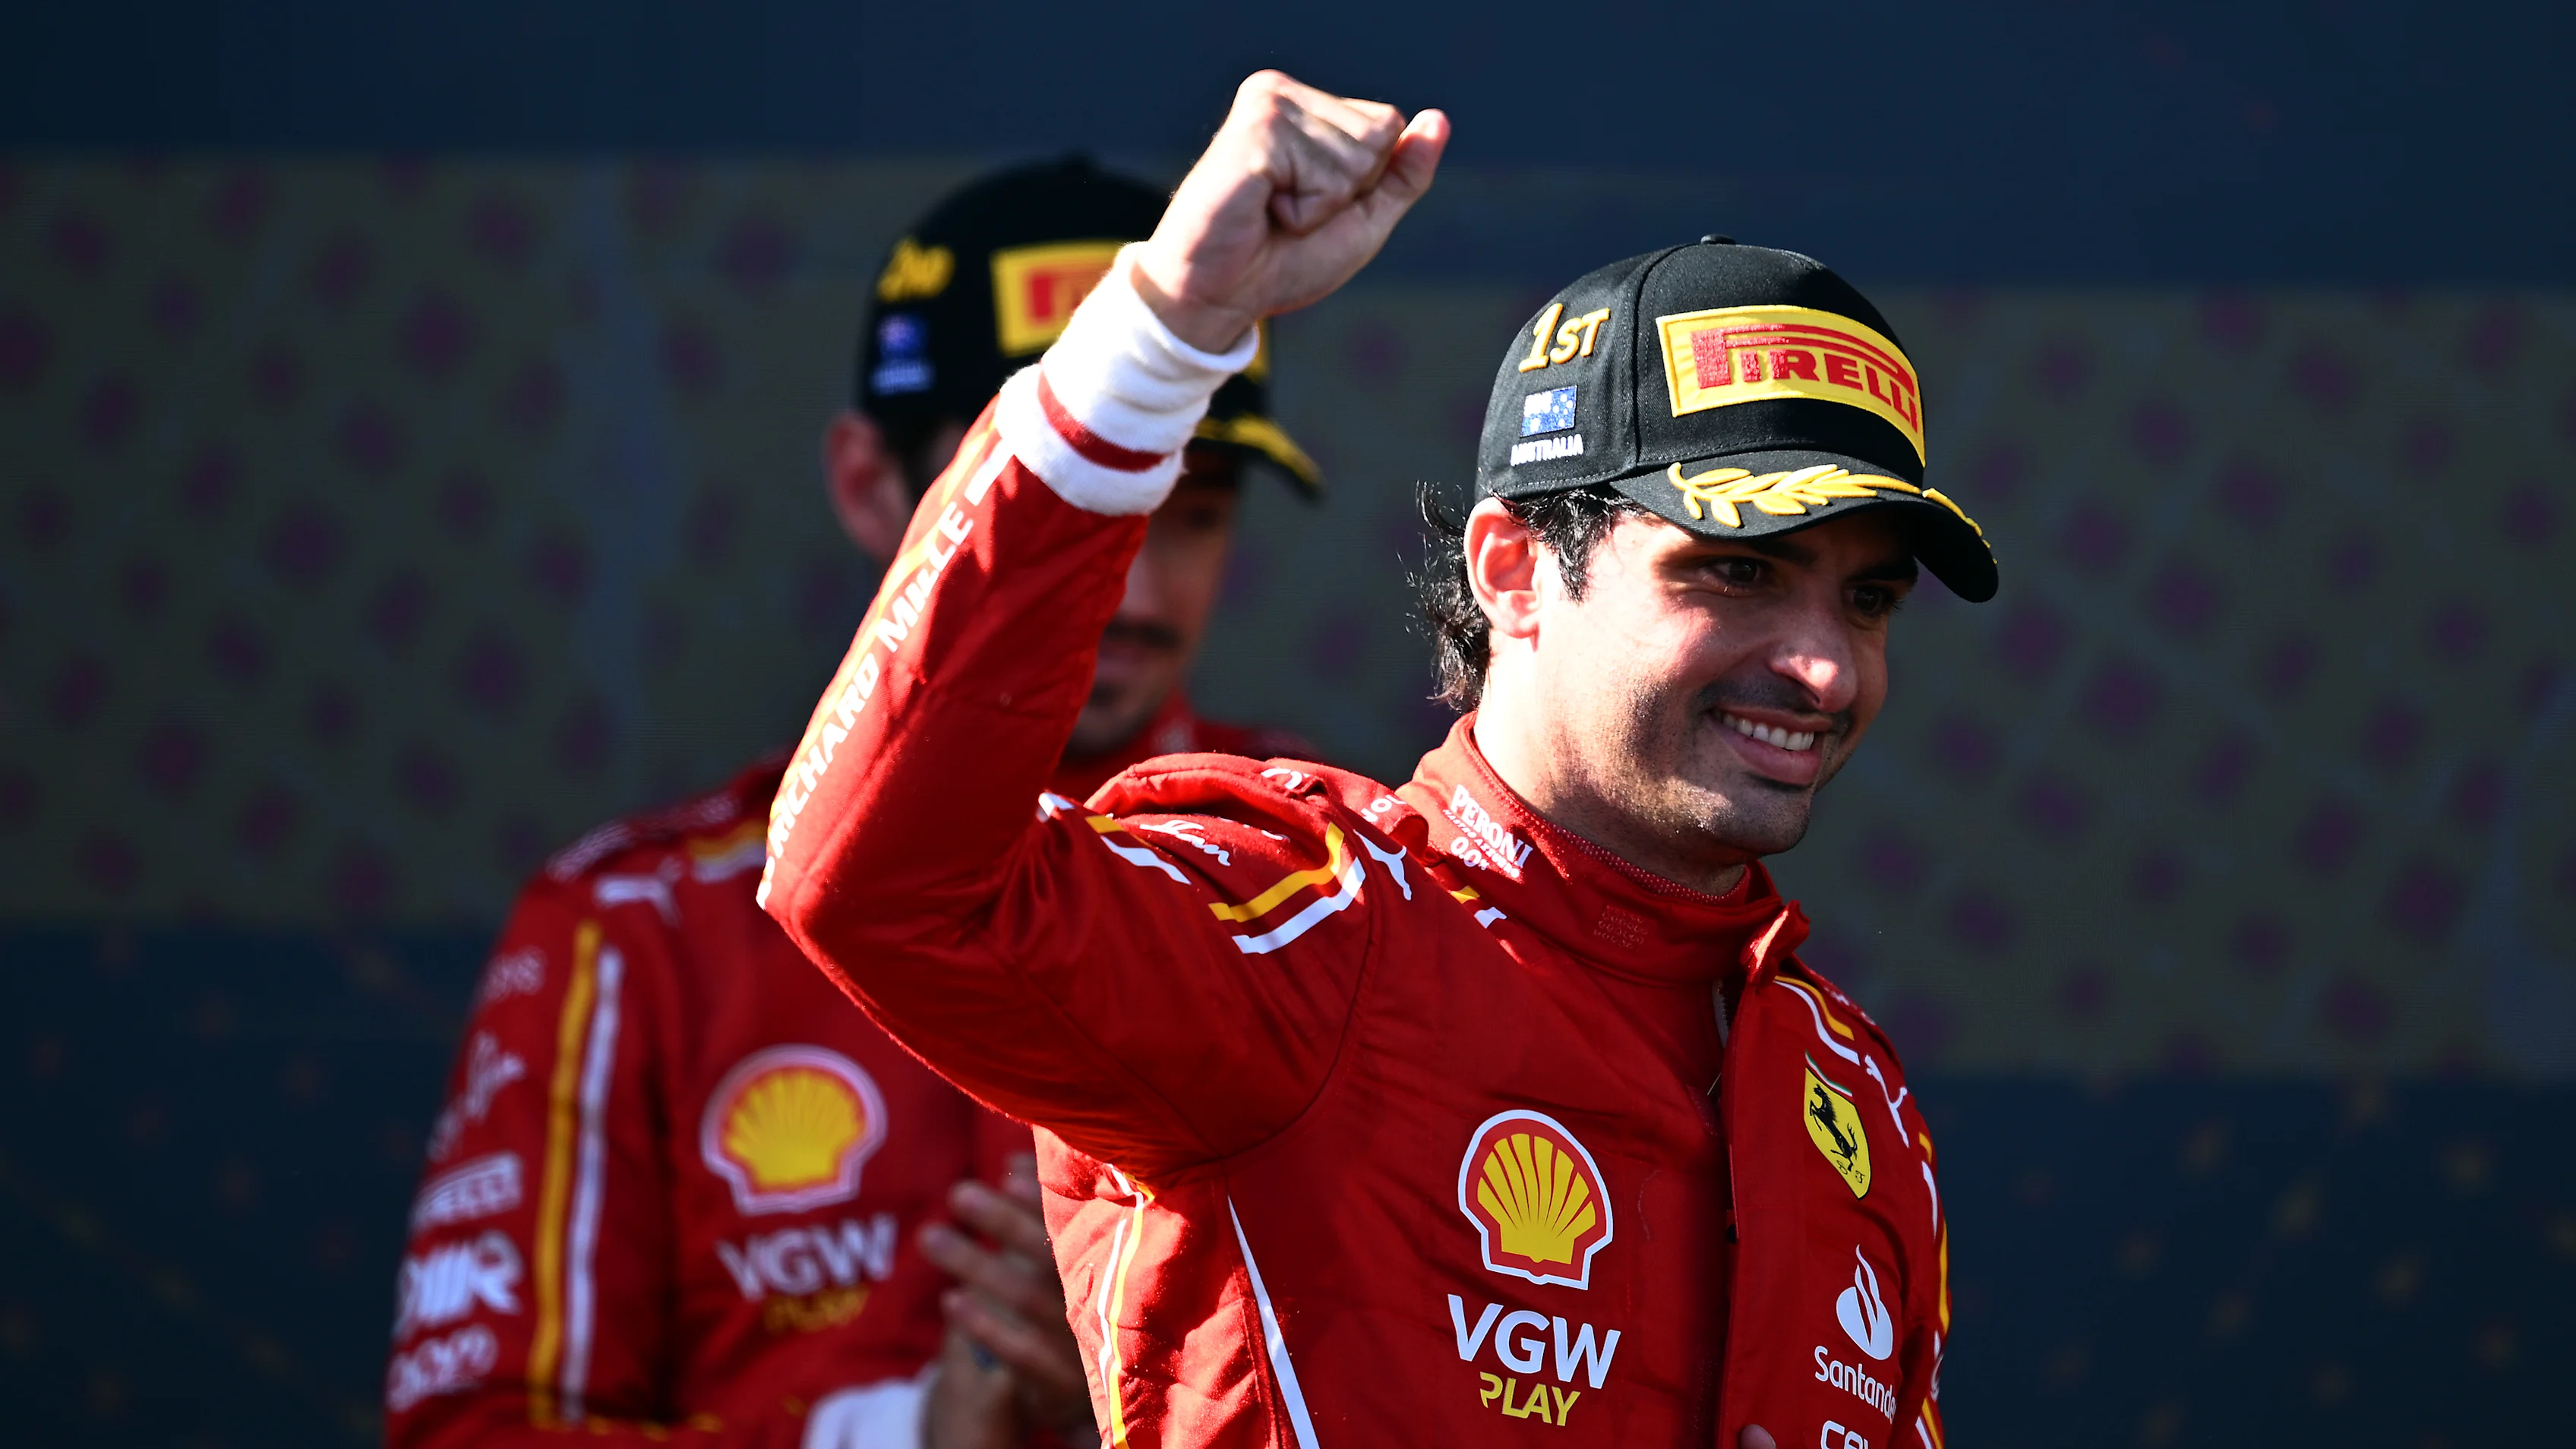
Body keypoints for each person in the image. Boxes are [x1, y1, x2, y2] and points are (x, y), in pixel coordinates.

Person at [758, 71, 1998, 1449]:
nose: (1824, 665)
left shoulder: (1856, 1101)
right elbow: (878, 886)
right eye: (1739, 571)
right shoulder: (1312, 934)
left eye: (1867, 601)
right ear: (1515, 570)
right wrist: (1163, 337)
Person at [384, 157, 1324, 1449]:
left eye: (1188, 509)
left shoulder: (1325, 880)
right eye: (1069, 512)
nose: (1138, 592)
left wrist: (1158, 1371)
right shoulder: (634, 926)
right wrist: (887, 1436)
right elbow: (474, 1432)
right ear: (868, 485)